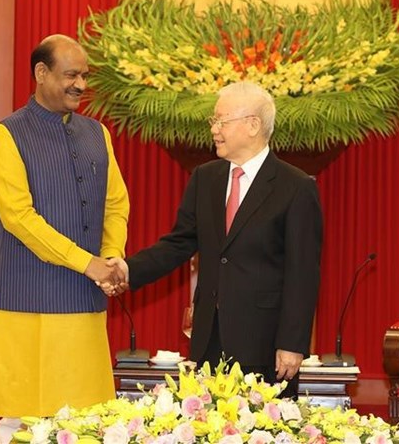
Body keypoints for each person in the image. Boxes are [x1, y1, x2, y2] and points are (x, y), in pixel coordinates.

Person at [105, 81, 322, 399]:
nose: (214, 129)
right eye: (213, 121)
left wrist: (292, 343)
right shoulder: (205, 178)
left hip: (265, 341)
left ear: (252, 125)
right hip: (209, 336)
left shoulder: (296, 187)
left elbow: (303, 273)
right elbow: (178, 243)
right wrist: (127, 269)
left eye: (222, 120)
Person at [0, 34, 129, 444]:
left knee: (86, 421)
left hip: (83, 299)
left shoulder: (97, 134)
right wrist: (88, 263)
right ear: (40, 73)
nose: (80, 85)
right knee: (25, 423)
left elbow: (116, 204)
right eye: (70, 75)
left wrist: (112, 256)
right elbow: (19, 218)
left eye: (84, 76)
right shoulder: (7, 135)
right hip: (23, 299)